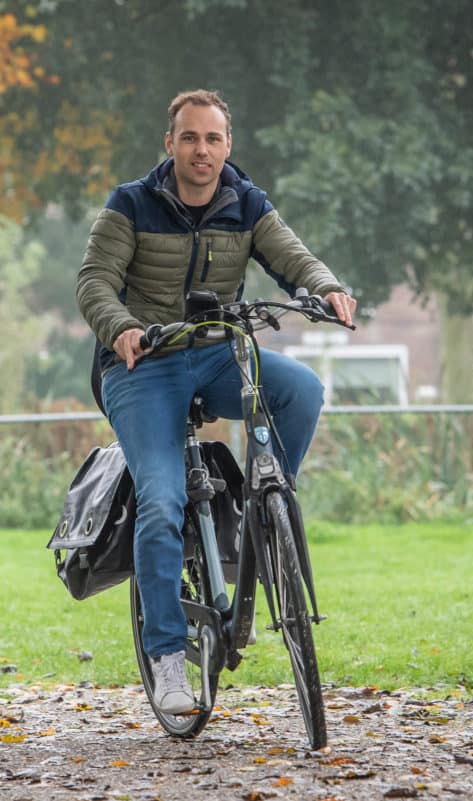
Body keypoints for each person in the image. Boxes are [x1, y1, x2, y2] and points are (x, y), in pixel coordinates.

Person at [76, 89, 357, 715]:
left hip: (218, 354)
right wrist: (120, 326)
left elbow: (292, 256)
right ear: (170, 144)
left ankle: (267, 507)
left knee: (301, 388)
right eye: (189, 138)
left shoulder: (246, 201)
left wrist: (326, 287)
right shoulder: (129, 204)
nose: (201, 151)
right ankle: (168, 656)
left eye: (213, 139)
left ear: (228, 145)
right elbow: (93, 280)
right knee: (161, 498)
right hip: (142, 363)